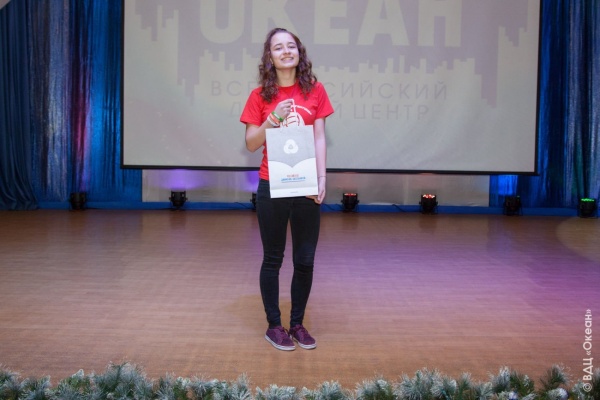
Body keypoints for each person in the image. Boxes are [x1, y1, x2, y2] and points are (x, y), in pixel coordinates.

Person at [240, 27, 334, 351]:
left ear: (299, 52)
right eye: (278, 47)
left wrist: (321, 178)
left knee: (305, 259)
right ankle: (274, 326)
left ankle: (297, 324)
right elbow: (251, 143)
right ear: (270, 56)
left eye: (290, 46)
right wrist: (272, 120)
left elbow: (319, 137)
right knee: (273, 259)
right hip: (272, 184)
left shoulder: (315, 90)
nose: (285, 51)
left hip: (306, 185)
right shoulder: (259, 96)